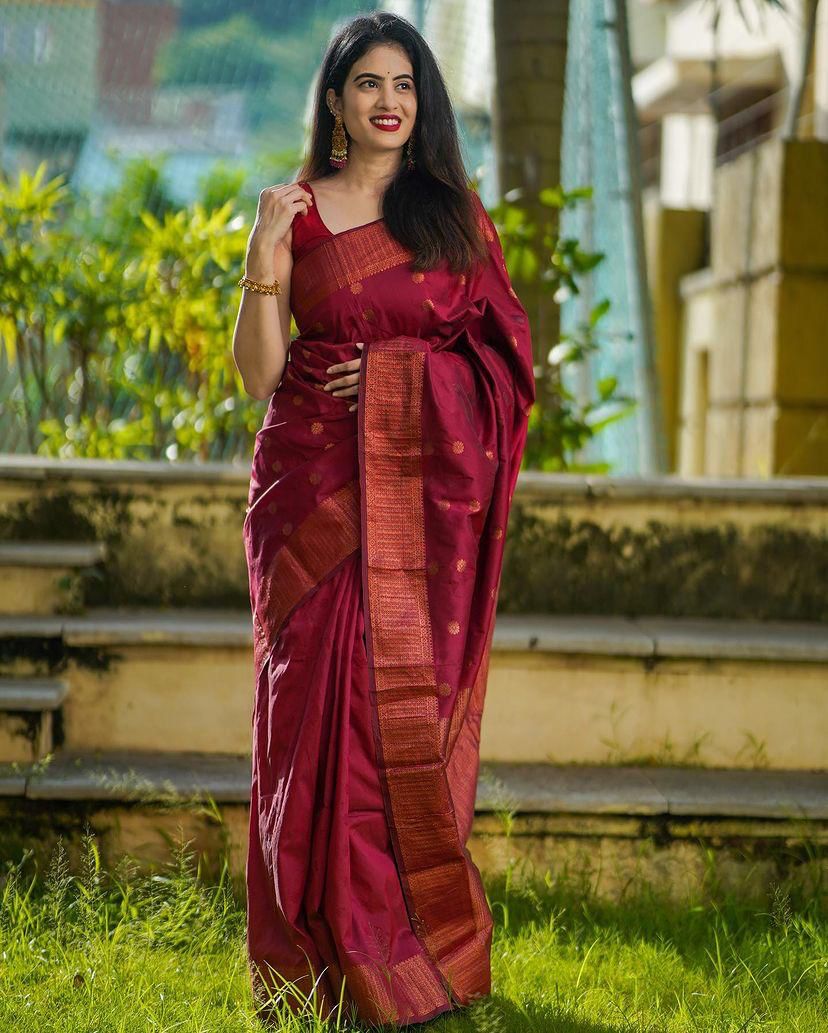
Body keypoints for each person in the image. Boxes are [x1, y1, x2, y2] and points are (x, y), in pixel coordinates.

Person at [233, 10, 535, 1029]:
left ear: (425, 100)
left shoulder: (449, 217)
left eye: (405, 84)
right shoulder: (295, 212)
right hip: (309, 493)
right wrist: (265, 252)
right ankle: (309, 964)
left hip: (410, 503)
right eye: (368, 84)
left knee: (379, 722)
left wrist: (408, 381)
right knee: (304, 723)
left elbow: (504, 365)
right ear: (334, 100)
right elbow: (261, 373)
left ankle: (399, 963)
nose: (389, 102)